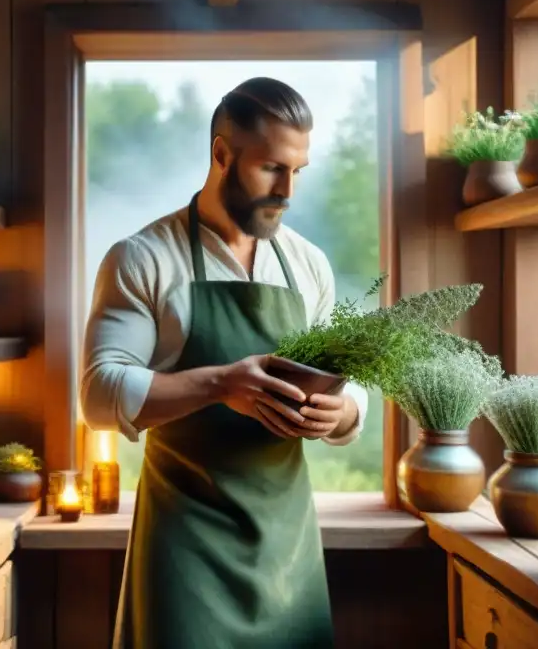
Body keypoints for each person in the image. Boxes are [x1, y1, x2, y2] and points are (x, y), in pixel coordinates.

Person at [81, 77, 370, 649]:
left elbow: (353, 389)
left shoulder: (308, 265)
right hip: (185, 553)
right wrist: (220, 383)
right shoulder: (144, 258)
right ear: (221, 154)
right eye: (271, 168)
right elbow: (97, 393)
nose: (288, 190)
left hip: (287, 553)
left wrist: (338, 413)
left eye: (298, 171)